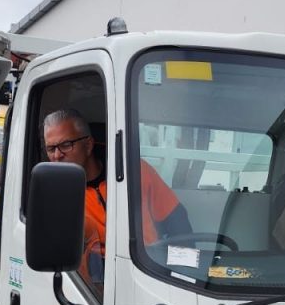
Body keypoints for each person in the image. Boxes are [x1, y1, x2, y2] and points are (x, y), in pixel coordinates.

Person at [42, 108, 192, 283]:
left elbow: (179, 225)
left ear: (88, 145)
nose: (57, 155)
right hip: (91, 284)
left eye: (65, 145)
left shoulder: (136, 171)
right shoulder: (52, 192)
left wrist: (184, 276)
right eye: (51, 148)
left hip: (149, 270)